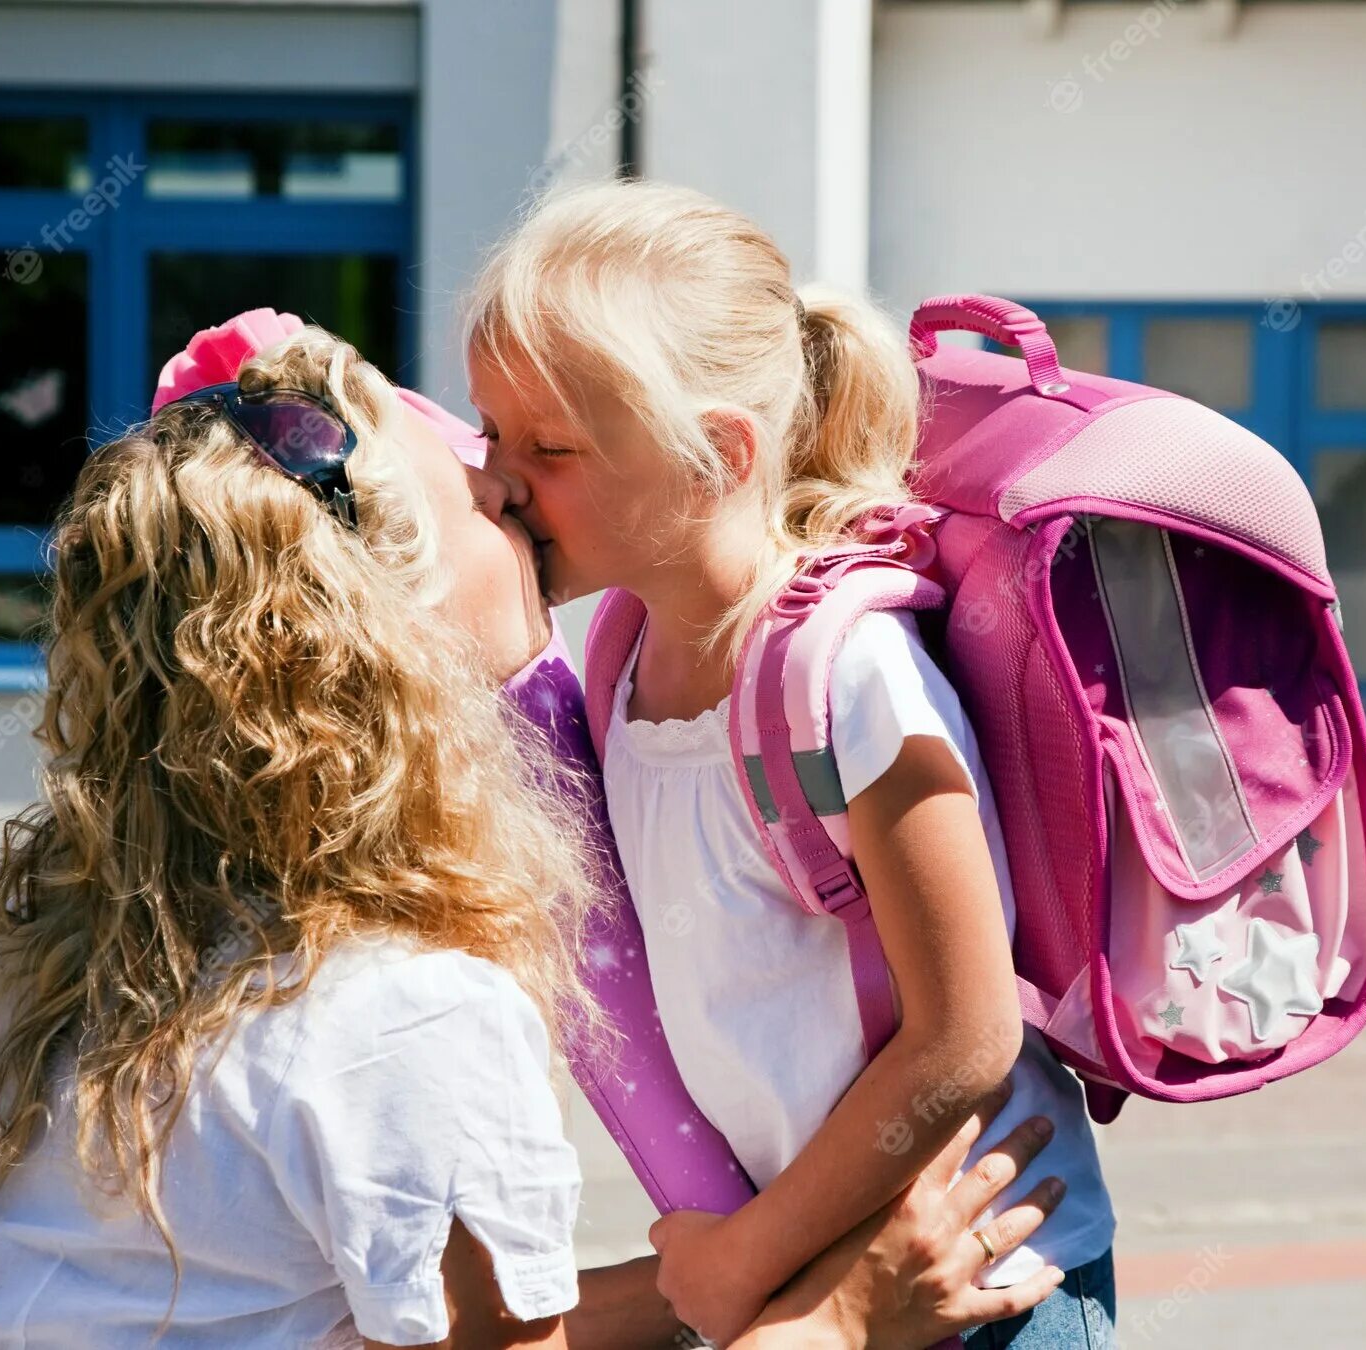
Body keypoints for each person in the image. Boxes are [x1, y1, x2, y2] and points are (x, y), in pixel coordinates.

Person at [0, 314, 1066, 1348]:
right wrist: (843, 1317)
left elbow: (437, 1330)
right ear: (397, 641)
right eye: (490, 495)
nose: (514, 488)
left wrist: (724, 1280)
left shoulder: (62, 955)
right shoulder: (404, 1014)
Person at [467, 181, 1118, 1347]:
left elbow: (966, 1032)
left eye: (549, 446)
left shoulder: (848, 673)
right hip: (812, 1280)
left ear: (717, 456)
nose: (497, 480)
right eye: (488, 433)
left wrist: (744, 1263)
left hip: (980, 1280)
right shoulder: (620, 663)